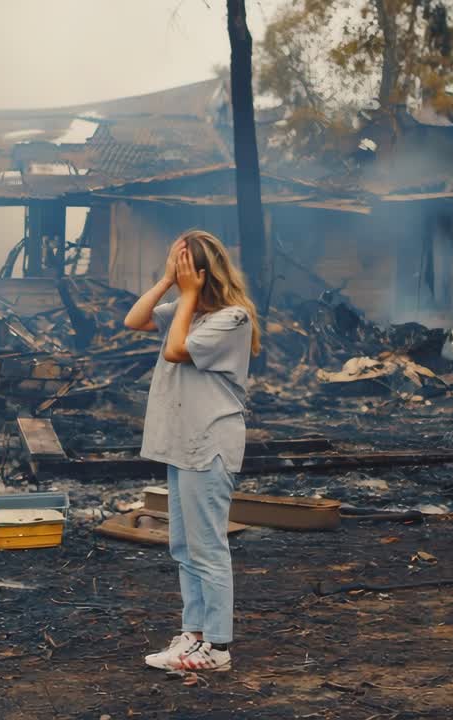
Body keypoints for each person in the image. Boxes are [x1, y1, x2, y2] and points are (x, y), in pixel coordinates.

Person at [123, 229, 261, 673]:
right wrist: (166, 283)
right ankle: (194, 635)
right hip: (182, 444)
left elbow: (178, 350)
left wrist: (186, 296)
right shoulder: (188, 312)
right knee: (184, 547)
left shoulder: (231, 318)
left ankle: (217, 648)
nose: (177, 275)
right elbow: (135, 320)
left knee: (208, 549)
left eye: (181, 268)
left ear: (202, 275)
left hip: (209, 443)